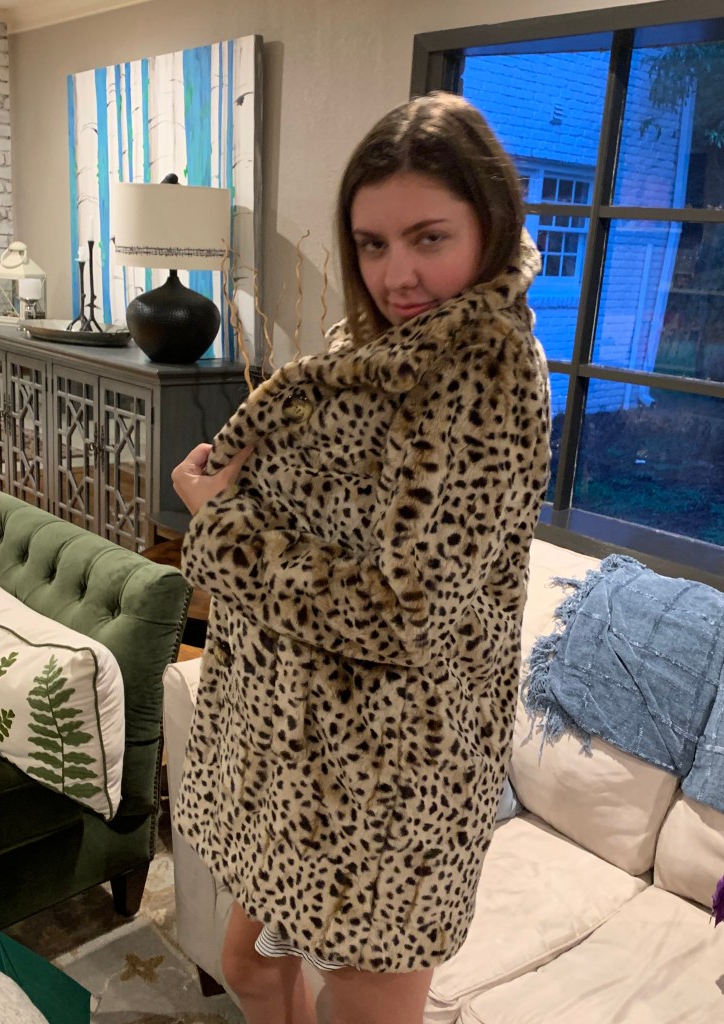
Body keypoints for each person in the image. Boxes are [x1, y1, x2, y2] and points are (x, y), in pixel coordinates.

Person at [171, 91, 551, 1024]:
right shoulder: (375, 346)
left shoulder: (487, 373)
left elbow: (400, 612)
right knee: (249, 966)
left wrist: (222, 529)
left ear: (489, 222)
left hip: (392, 789)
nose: (397, 274)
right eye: (373, 244)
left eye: (429, 238)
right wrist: (241, 490)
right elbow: (336, 515)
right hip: (301, 757)